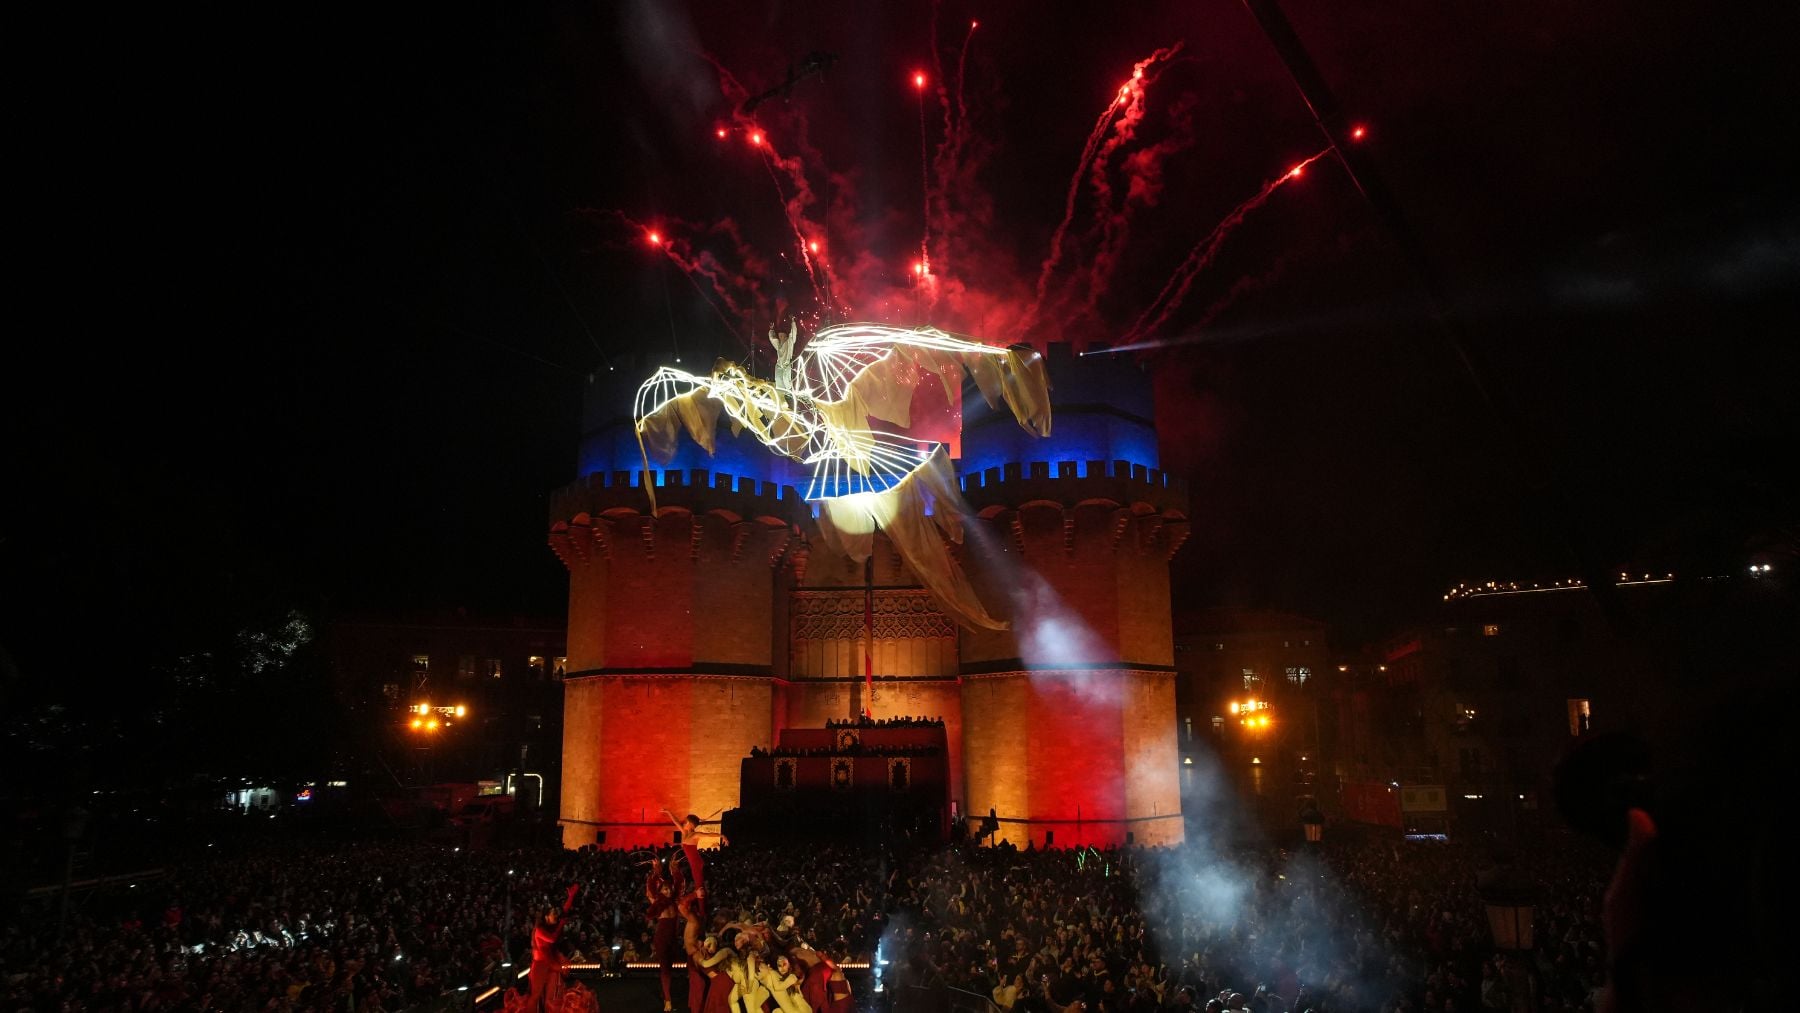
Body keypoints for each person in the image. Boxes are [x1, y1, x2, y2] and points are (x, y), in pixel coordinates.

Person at [526, 883, 579, 1013]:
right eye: (553, 913)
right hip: (540, 966)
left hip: (551, 963)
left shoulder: (552, 927)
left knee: (553, 994)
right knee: (536, 995)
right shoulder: (539, 930)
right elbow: (552, 939)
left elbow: (565, 911)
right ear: (546, 917)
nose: (556, 915)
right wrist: (561, 924)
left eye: (556, 913)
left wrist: (571, 896)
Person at [646, 853, 682, 1012]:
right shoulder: (656, 900)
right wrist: (655, 871)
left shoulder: (674, 900)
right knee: (665, 969)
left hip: (673, 937)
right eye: (665, 889)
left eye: (669, 889)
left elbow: (680, 883)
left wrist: (674, 869)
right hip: (662, 937)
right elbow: (650, 886)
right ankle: (668, 1001)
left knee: (670, 968)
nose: (668, 891)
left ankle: (665, 992)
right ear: (661, 890)